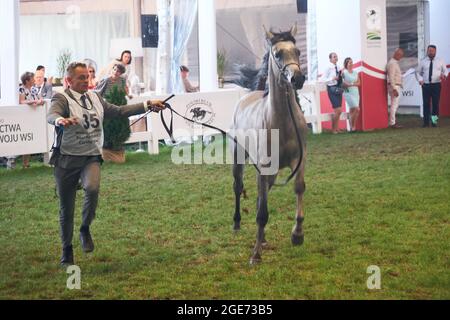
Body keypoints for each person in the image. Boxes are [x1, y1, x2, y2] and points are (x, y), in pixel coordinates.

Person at [47, 62, 165, 266]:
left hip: (91, 157)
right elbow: (52, 114)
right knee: (67, 208)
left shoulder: (95, 97)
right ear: (69, 81)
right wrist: (59, 121)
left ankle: (85, 228)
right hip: (66, 160)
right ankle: (67, 248)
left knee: (92, 188)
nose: (86, 81)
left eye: (87, 77)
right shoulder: (61, 97)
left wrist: (147, 104)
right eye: (81, 78)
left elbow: (119, 111)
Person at [6, 72, 45, 169]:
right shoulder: (21, 89)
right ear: (27, 80)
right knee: (21, 140)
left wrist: (40, 101)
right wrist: (34, 102)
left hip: (34, 118)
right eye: (32, 78)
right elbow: (21, 101)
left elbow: (40, 99)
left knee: (30, 140)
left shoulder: (34, 89)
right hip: (23, 119)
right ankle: (11, 161)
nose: (34, 80)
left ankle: (26, 164)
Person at [416, 45, 448, 127]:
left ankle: (434, 122)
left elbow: (446, 71)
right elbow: (417, 72)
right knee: (426, 104)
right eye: (429, 51)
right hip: (426, 85)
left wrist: (444, 75)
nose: (431, 52)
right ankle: (426, 123)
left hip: (436, 85)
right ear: (427, 51)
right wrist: (420, 80)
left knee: (435, 104)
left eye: (432, 51)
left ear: (435, 51)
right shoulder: (423, 61)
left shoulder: (440, 61)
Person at [322, 52, 344, 134]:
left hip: (338, 88)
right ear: (330, 59)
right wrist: (332, 78)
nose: (335, 58)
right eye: (334, 57)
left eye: (336, 56)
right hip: (331, 89)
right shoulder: (328, 67)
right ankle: (333, 129)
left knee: (338, 111)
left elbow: (339, 78)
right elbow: (322, 79)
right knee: (338, 110)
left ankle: (337, 129)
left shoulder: (338, 67)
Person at [386, 48, 404, 128]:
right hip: (394, 86)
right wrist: (394, 88)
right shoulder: (393, 63)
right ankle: (392, 123)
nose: (401, 57)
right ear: (396, 54)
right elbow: (391, 76)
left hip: (395, 85)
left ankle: (392, 122)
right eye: (400, 55)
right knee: (394, 105)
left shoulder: (393, 62)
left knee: (394, 105)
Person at [342, 57, 361, 132]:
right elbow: (343, 83)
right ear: (346, 64)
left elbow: (359, 83)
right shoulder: (344, 72)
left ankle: (352, 128)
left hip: (355, 92)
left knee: (352, 110)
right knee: (357, 109)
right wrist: (352, 84)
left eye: (352, 62)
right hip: (348, 93)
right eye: (349, 62)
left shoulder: (356, 72)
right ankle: (353, 127)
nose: (351, 64)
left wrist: (350, 84)